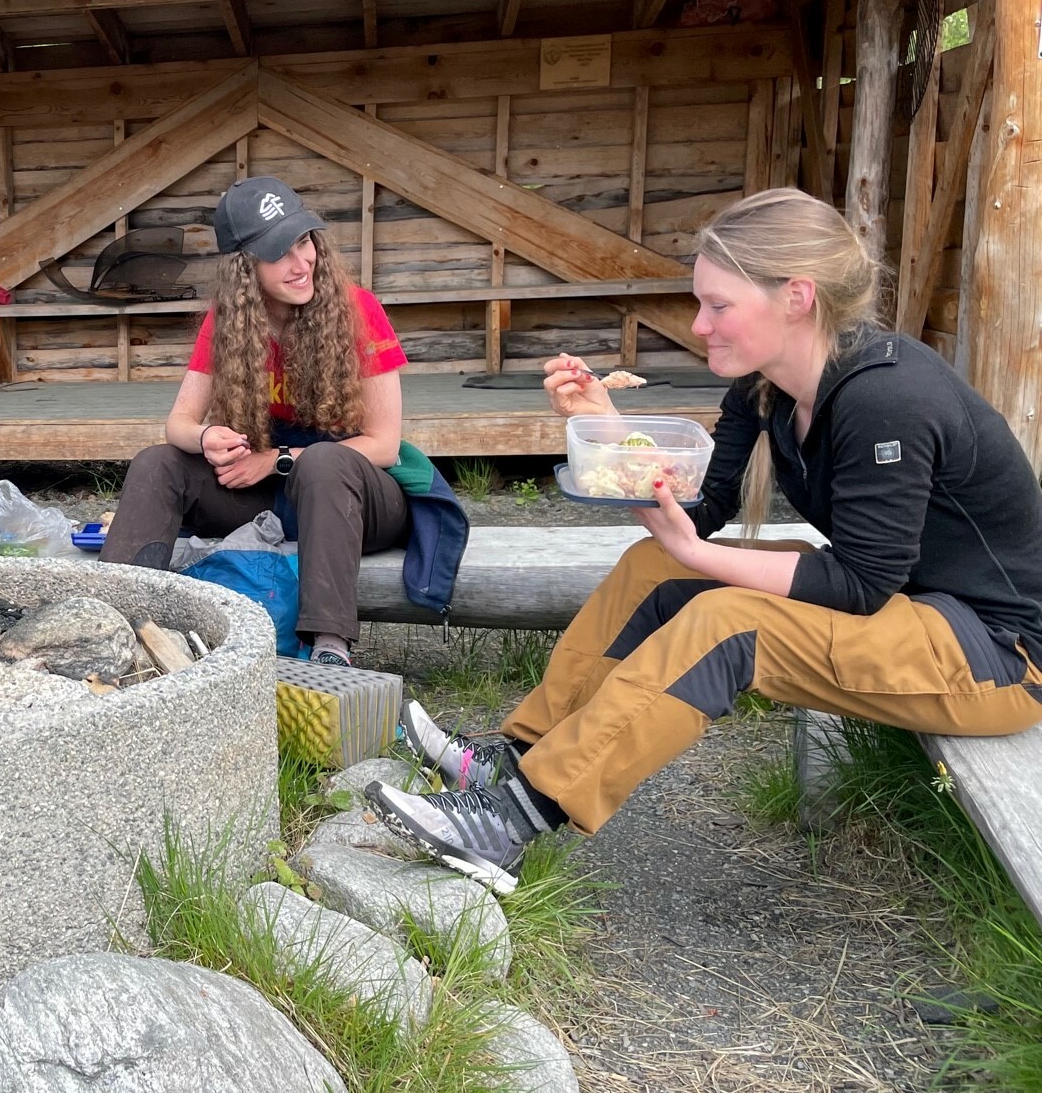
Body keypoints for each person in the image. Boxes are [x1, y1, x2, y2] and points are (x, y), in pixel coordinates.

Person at [366, 188, 1042, 896]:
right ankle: (518, 755)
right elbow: (705, 505)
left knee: (729, 625)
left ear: (797, 297)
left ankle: (508, 821)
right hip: (903, 605)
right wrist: (605, 424)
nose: (699, 323)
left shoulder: (888, 401)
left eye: (719, 305)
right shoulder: (768, 385)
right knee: (655, 565)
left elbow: (862, 584)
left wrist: (699, 555)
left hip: (992, 652)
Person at [101, 177, 412, 664]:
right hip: (273, 496)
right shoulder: (227, 321)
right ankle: (111, 624)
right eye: (279, 251)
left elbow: (385, 445)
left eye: (304, 240)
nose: (302, 261)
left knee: (324, 464)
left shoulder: (359, 309)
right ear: (246, 268)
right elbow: (178, 424)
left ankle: (330, 648)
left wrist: (277, 460)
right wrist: (207, 438)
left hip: (356, 498)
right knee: (159, 463)